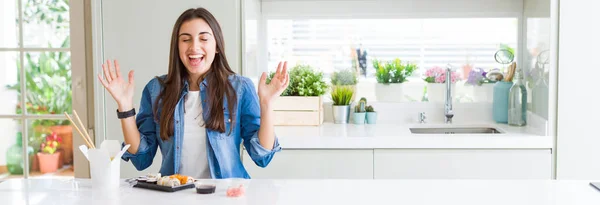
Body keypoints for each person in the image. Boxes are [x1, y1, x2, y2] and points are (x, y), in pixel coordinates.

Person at [97, 7, 288, 179]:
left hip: (227, 196)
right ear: (177, 47)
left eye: (204, 38)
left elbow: (262, 156)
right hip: (174, 196)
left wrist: (267, 104)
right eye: (185, 39)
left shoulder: (240, 88)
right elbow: (141, 159)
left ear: (217, 46)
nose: (194, 47)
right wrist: (125, 107)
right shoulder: (156, 90)